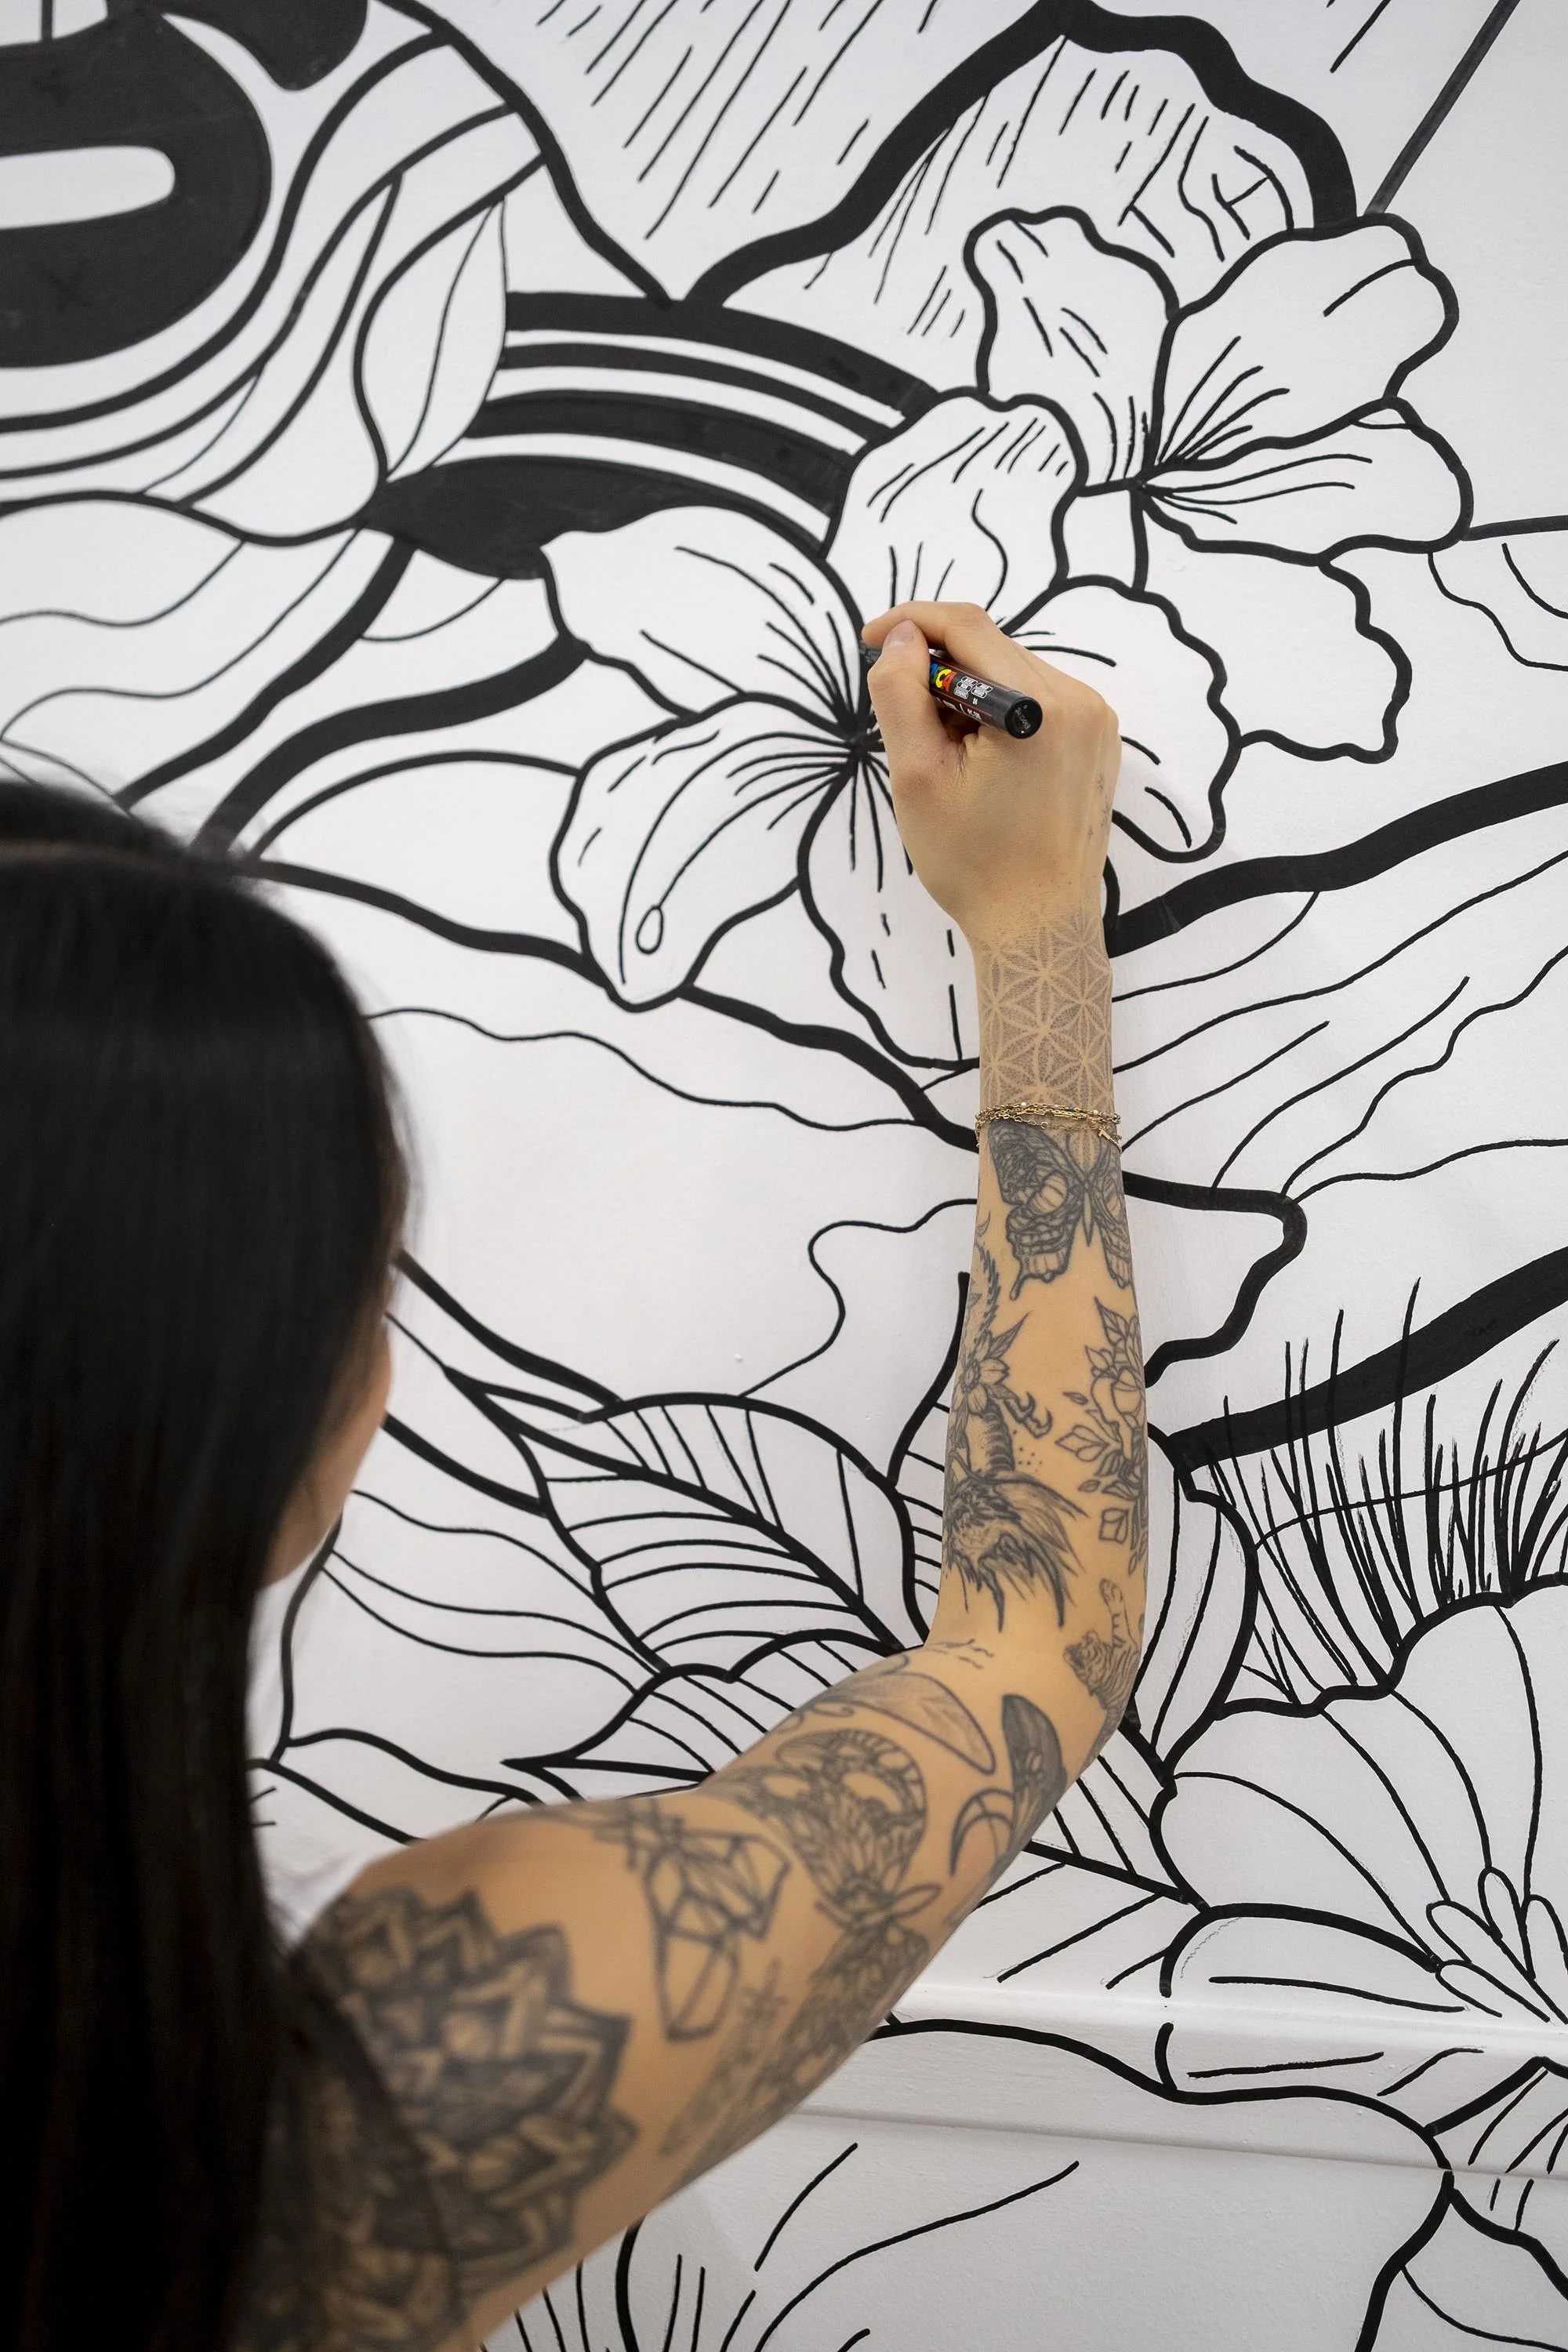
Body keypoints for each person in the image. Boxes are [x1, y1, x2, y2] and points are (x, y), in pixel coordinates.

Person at [1, 601, 1143, 2352]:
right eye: (375, 1288)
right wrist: (1039, 930)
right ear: (276, 1425)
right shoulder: (407, 2085)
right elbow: (1032, 1638)